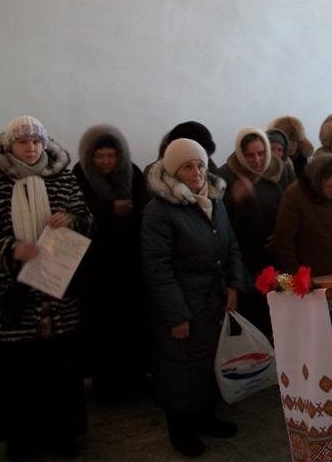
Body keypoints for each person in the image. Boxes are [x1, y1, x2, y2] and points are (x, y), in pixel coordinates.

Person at [0, 116, 91, 460]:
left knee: (59, 372)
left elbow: (87, 220)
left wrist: (72, 220)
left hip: (56, 294)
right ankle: (21, 440)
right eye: (23, 141)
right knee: (16, 375)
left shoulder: (63, 179)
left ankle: (61, 433)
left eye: (37, 141)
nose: (31, 147)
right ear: (9, 145)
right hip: (13, 295)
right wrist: (11, 249)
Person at [143, 138, 246, 457]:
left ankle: (206, 418)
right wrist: (177, 315)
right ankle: (181, 431)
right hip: (183, 302)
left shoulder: (215, 200)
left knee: (207, 362)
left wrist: (234, 286)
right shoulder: (159, 210)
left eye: (200, 165)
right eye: (187, 166)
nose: (197, 172)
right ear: (173, 171)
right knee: (180, 368)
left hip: (212, 299)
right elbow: (157, 267)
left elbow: (231, 245)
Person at [73, 124, 147, 403]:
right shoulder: (79, 176)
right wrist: (108, 210)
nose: (105, 162)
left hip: (130, 264)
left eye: (111, 156)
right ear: (89, 157)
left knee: (131, 323)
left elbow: (144, 209)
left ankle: (134, 378)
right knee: (102, 327)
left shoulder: (133, 173)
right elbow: (76, 213)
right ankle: (106, 385)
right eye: (99, 156)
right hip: (96, 268)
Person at [218, 128, 295, 338]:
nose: (257, 160)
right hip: (246, 259)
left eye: (261, 153)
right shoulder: (227, 175)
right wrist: (234, 199)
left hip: (278, 255)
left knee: (281, 315)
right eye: (250, 155)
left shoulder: (281, 169)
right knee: (255, 317)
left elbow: (293, 206)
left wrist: (282, 233)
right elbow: (221, 223)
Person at [274, 154, 332, 277]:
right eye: (328, 186)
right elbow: (284, 240)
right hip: (310, 271)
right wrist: (295, 276)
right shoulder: (296, 194)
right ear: (317, 182)